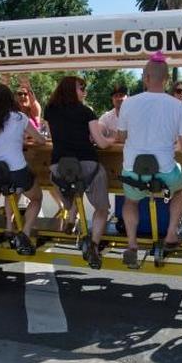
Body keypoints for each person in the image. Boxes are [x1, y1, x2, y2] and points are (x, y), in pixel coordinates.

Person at [116, 53, 182, 269]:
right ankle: (170, 233)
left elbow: (121, 137)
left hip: (133, 173)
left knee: (131, 201)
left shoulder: (128, 104)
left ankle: (132, 244)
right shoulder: (179, 106)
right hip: (166, 174)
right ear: (167, 80)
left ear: (145, 78)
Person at [42, 76, 114, 268]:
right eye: (81, 88)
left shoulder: (50, 110)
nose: (85, 91)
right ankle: (94, 244)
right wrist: (113, 139)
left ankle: (71, 218)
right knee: (102, 208)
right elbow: (100, 143)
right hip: (87, 162)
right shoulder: (86, 111)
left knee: (75, 183)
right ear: (70, 89)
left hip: (59, 166)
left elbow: (52, 136)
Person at [0, 83, 47, 255]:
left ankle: (9, 228)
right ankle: (24, 233)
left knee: (10, 193)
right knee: (36, 198)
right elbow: (40, 140)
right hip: (16, 170)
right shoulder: (18, 118)